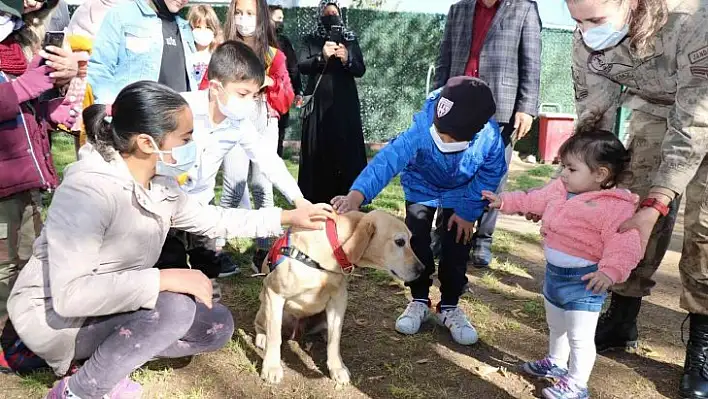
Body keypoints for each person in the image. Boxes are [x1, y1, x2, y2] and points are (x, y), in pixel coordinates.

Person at [7, 81, 333, 398]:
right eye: (186, 138)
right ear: (147, 143)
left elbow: (214, 218)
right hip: (55, 319)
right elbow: (70, 297)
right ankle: (80, 390)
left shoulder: (159, 184)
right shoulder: (87, 192)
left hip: (106, 304)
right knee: (174, 307)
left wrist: (288, 217)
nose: (195, 146)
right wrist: (165, 278)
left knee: (215, 324)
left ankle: (108, 358)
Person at [562, 0, 708, 396]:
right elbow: (593, 118)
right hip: (656, 114)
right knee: (627, 214)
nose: (587, 31)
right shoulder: (586, 37)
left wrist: (658, 203)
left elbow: (695, 122)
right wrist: (576, 187)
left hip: (702, 111)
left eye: (595, 19)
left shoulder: (693, 20)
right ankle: (622, 317)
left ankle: (703, 344)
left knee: (704, 233)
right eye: (577, 20)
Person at [331, 77, 506, 346]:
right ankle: (419, 301)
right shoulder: (422, 128)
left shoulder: (490, 138)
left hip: (462, 192)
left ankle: (449, 306)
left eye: (449, 137)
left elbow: (491, 172)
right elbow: (387, 162)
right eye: (440, 131)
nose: (442, 138)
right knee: (417, 244)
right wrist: (357, 195)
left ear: (476, 131)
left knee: (456, 247)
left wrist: (468, 212)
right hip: (421, 189)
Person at [484, 128, 642, 399]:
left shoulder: (615, 208)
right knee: (556, 325)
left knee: (580, 337)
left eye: (571, 168)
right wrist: (504, 201)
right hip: (554, 277)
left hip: (585, 283)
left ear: (600, 174)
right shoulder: (560, 189)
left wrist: (610, 272)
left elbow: (625, 245)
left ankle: (577, 383)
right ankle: (556, 362)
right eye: (562, 166)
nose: (563, 174)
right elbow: (533, 198)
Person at [176, 41, 312, 278]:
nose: (249, 102)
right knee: (170, 268)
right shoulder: (179, 107)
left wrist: (298, 199)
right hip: (167, 204)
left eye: (254, 94)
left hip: (202, 206)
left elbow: (268, 160)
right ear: (216, 88)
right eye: (243, 94)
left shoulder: (238, 123)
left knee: (208, 276)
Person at [431, 0, 542, 268]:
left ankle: (483, 239)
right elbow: (444, 58)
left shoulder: (524, 8)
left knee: (493, 175)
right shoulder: (458, 9)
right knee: (450, 169)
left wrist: (526, 107)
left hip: (500, 106)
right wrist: (437, 98)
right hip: (457, 103)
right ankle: (443, 232)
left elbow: (532, 62)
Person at [0, 0, 78, 331]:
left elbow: (23, 111)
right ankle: (5, 337)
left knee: (29, 256)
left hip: (27, 176)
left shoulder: (15, 52)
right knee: (4, 264)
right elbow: (15, 97)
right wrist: (20, 89)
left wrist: (49, 112)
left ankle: (24, 330)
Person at [220, 0, 295, 272]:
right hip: (233, 119)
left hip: (263, 118)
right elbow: (212, 85)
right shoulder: (226, 51)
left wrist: (271, 83)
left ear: (261, 17)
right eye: (239, 13)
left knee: (262, 185)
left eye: (250, 13)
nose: (243, 19)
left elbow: (286, 97)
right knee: (234, 183)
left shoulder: (274, 56)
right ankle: (212, 247)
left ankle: (264, 251)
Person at [297, 0, 367, 205]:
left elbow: (360, 69)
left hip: (345, 107)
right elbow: (302, 65)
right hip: (318, 107)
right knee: (318, 147)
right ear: (320, 16)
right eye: (327, 15)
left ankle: (349, 197)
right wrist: (321, 57)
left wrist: (347, 58)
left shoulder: (350, 39)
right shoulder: (311, 39)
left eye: (334, 15)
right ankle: (315, 198)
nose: (331, 19)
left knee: (345, 149)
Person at [88, 0, 198, 103]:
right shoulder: (122, 16)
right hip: (136, 117)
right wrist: (109, 113)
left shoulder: (185, 28)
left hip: (179, 118)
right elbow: (99, 68)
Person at [269, 1, 302, 157]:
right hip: (263, 96)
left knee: (278, 137)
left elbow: (293, 67)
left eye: (282, 18)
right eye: (277, 18)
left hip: (279, 96)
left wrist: (297, 90)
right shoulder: (258, 40)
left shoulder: (284, 41)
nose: (280, 22)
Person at [187, 5, 221, 90]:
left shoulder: (218, 56)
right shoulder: (186, 53)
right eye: (198, 27)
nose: (203, 31)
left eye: (208, 27)